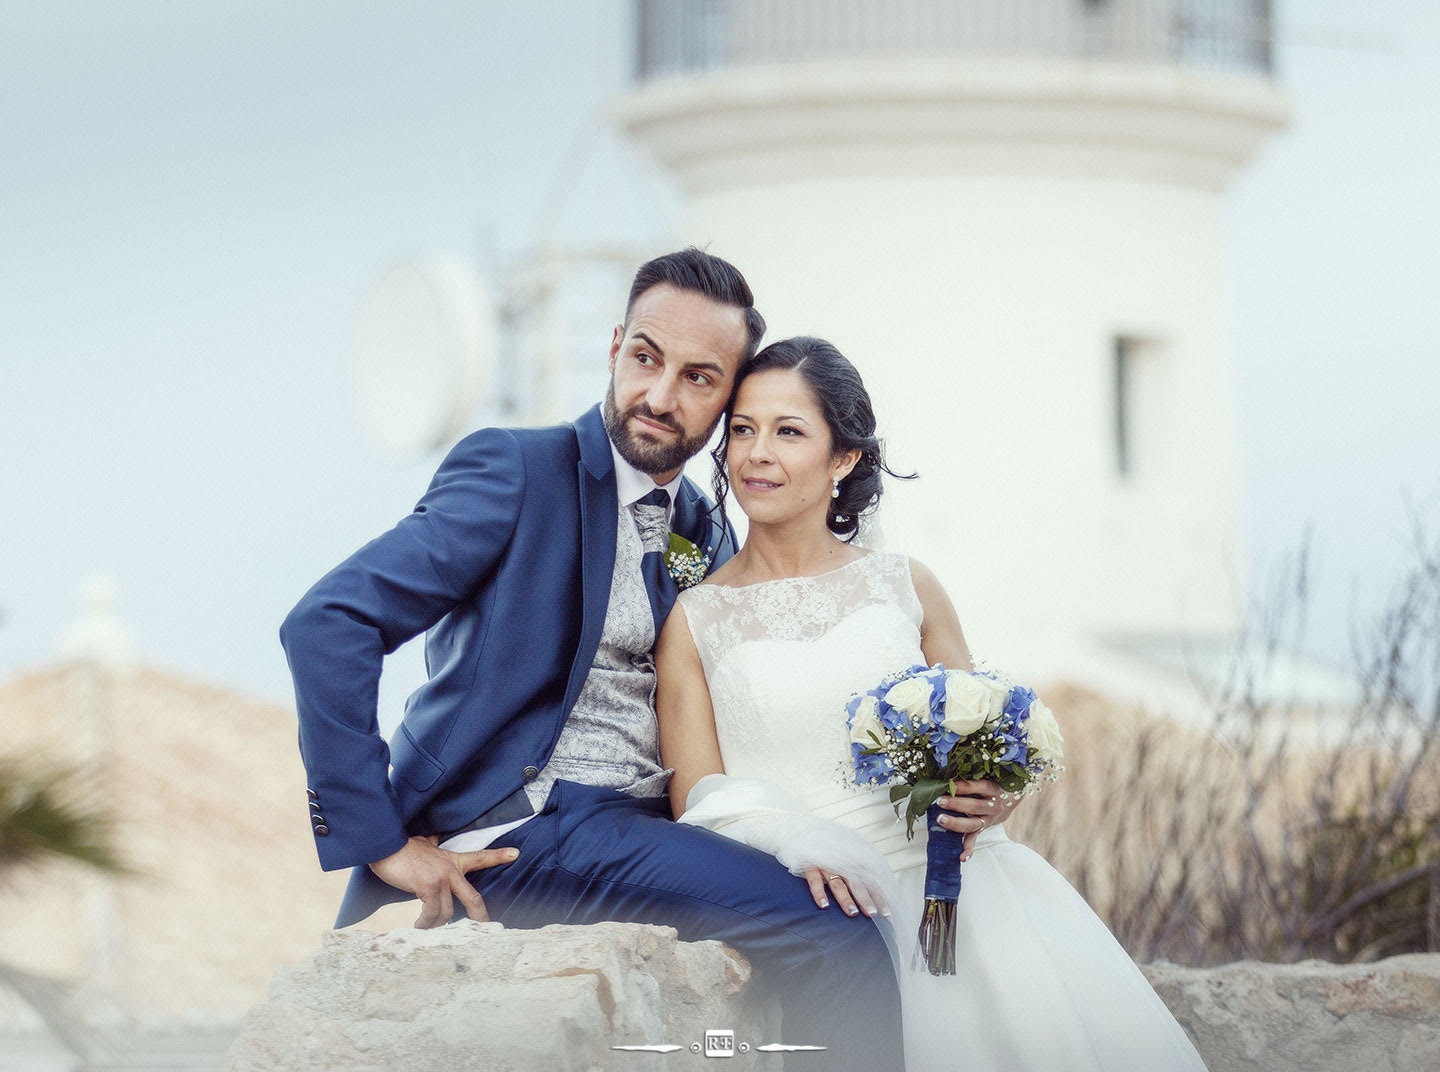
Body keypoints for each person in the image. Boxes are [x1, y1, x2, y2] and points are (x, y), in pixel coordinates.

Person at [279, 251, 904, 1065]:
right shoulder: (517, 470)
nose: (659, 395)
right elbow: (328, 622)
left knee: (836, 906)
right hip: (536, 824)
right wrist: (381, 839)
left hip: (650, 826)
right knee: (839, 938)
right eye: (646, 358)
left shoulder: (700, 528)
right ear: (614, 347)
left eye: (699, 378)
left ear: (727, 398)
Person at [656, 336, 1210, 1071]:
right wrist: (789, 839)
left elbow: (989, 736)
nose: (757, 452)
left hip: (976, 907)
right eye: (743, 430)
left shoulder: (907, 586)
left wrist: (994, 799)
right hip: (833, 927)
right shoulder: (696, 620)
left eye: (789, 432)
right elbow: (695, 800)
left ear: (844, 458)